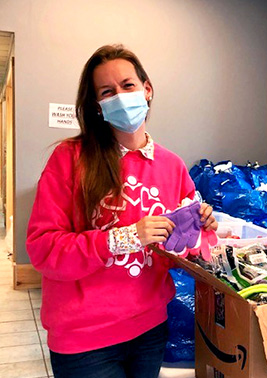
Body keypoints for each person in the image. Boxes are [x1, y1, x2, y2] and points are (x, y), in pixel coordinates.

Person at [26, 44, 217, 378]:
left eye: (127, 85)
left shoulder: (172, 166)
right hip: (84, 341)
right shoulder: (70, 159)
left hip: (150, 329)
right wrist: (122, 238)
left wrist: (204, 229)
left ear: (147, 89)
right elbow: (43, 248)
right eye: (107, 91)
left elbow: (189, 250)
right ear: (98, 106)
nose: (120, 95)